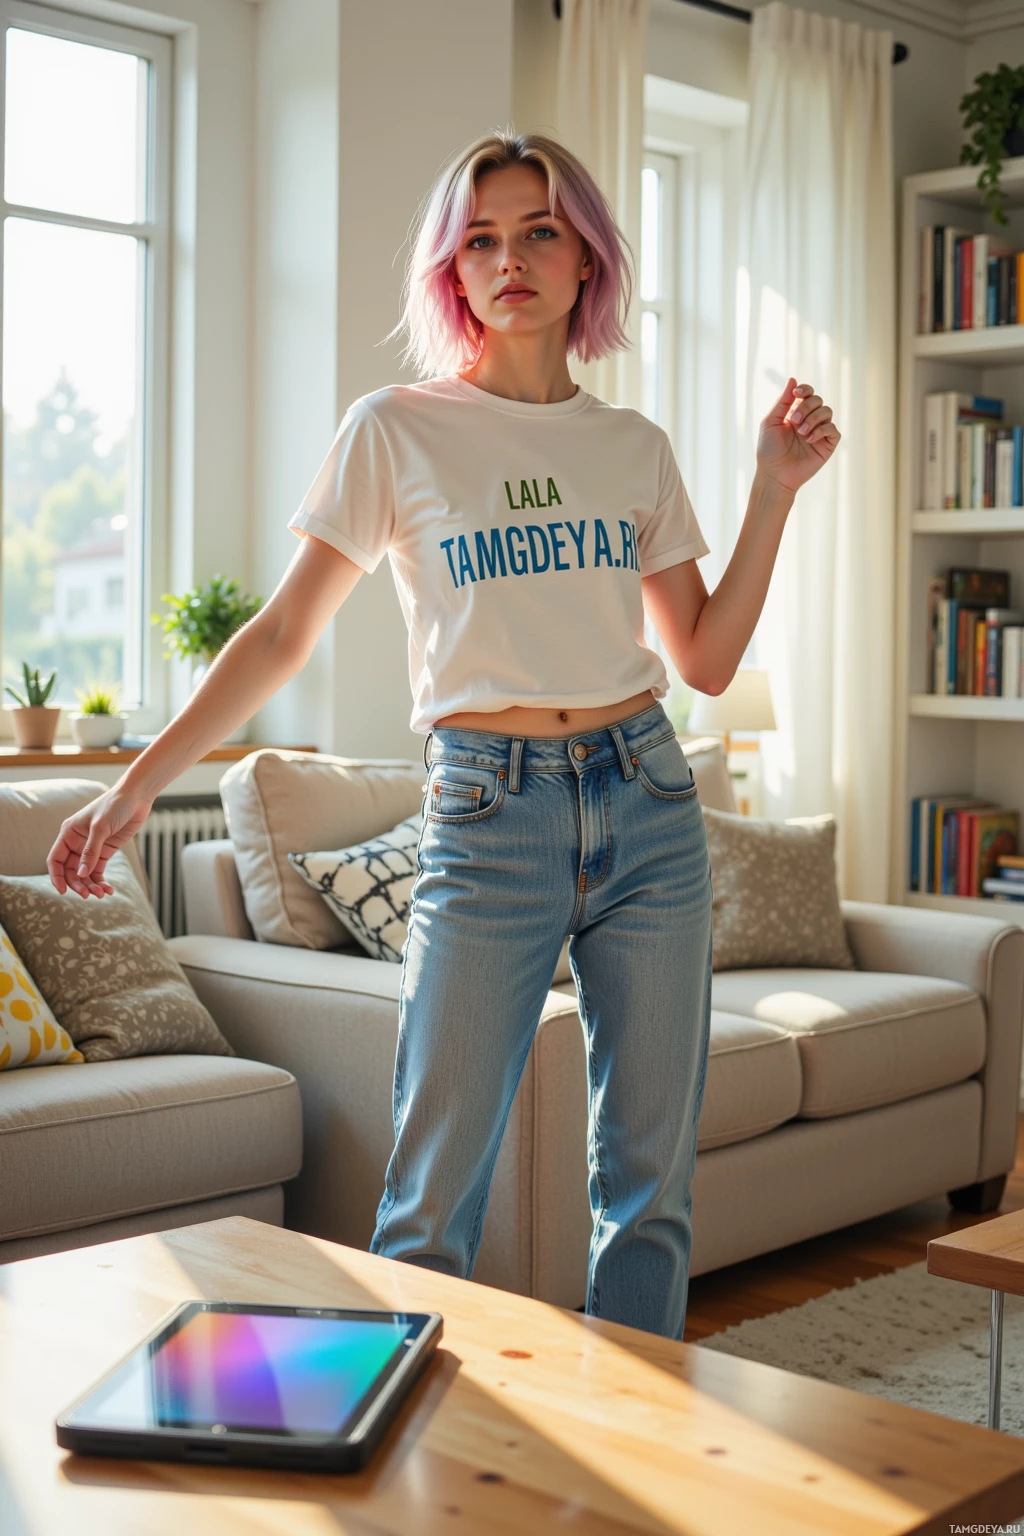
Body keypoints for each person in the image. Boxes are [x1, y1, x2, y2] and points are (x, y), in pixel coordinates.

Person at [47, 128, 839, 1340]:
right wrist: (138, 784)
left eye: (538, 232)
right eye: (479, 239)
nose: (507, 257)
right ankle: (398, 1485)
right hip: (487, 815)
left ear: (587, 264)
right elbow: (277, 634)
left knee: (650, 1193)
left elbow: (705, 660)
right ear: (451, 274)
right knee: (430, 1199)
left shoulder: (632, 448)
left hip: (649, 803)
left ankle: (640, 1459)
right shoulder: (396, 429)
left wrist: (770, 492)